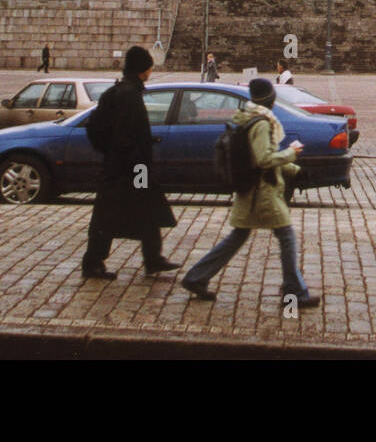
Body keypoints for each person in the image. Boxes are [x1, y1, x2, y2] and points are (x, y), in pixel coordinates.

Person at [181, 78, 320, 309]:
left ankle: (196, 277)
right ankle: (294, 291)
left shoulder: (248, 118)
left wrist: (294, 171)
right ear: (270, 98)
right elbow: (264, 159)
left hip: (254, 190)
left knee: (237, 237)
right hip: (262, 193)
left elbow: (263, 155)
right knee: (286, 238)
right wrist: (291, 153)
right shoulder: (262, 124)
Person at [80, 45, 180, 280]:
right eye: (149, 66)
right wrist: (137, 166)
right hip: (130, 168)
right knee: (114, 213)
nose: (151, 70)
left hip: (121, 165)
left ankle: (152, 258)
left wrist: (109, 153)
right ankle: (94, 262)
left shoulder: (119, 91)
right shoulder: (128, 95)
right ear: (143, 69)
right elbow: (126, 136)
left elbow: (95, 128)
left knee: (141, 207)